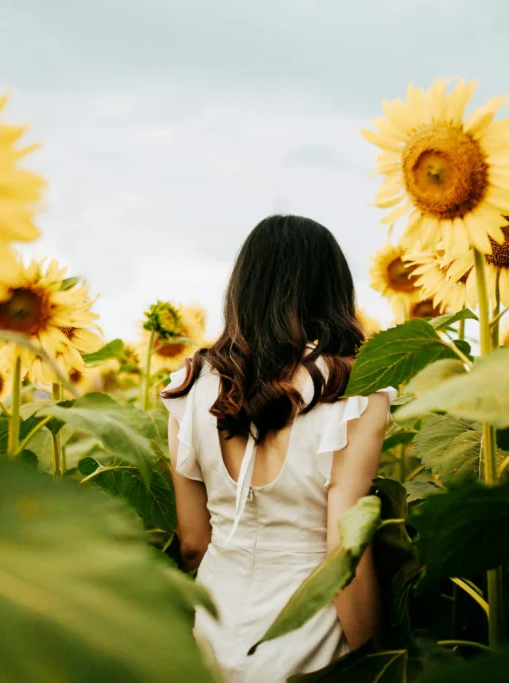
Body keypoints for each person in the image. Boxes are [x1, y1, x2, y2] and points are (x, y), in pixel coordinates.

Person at [161, 215, 394, 682]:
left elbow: (192, 543)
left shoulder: (189, 388)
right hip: (310, 641)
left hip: (213, 636)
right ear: (332, 289)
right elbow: (342, 552)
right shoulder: (354, 390)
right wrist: (377, 659)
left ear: (242, 288)